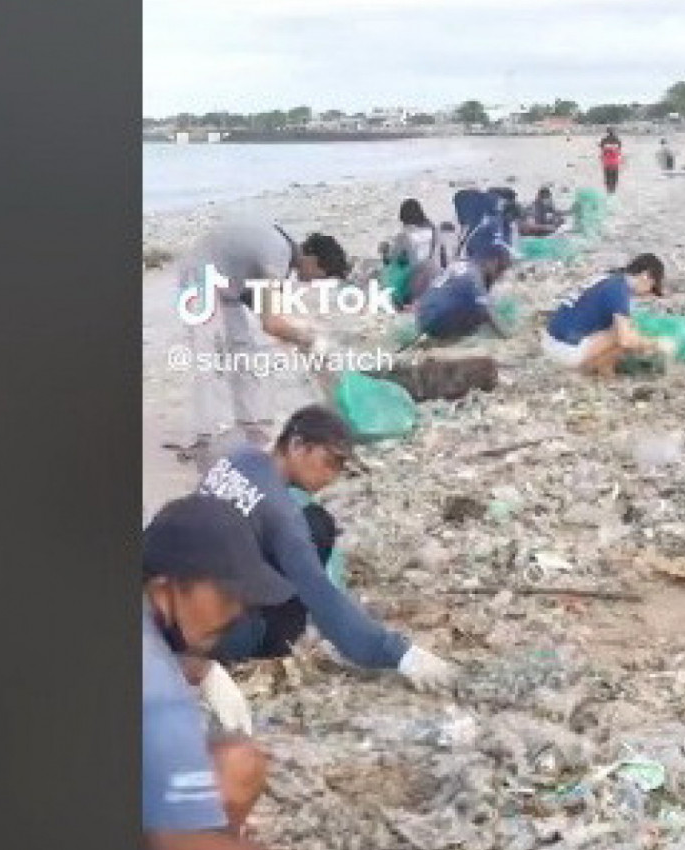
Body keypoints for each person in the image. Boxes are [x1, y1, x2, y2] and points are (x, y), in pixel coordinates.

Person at [198, 404, 456, 690]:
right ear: (297, 445)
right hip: (220, 633)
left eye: (340, 468)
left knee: (313, 522)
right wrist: (401, 654)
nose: (332, 477)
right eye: (329, 462)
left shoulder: (238, 459)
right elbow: (323, 600)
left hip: (181, 600)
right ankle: (271, 641)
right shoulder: (283, 517)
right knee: (317, 536)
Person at [143, 494, 296, 847]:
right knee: (237, 766)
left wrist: (203, 669)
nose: (237, 614)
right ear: (166, 587)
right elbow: (178, 842)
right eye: (226, 595)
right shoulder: (159, 693)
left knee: (236, 763)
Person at [177, 218, 349, 463]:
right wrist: (308, 339)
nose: (313, 282)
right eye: (319, 276)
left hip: (228, 284)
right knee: (209, 358)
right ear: (312, 259)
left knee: (246, 350)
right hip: (199, 277)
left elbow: (262, 308)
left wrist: (298, 340)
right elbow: (271, 323)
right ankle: (200, 439)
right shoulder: (277, 254)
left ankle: (252, 427)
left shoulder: (285, 250)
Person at [542, 253, 666, 376]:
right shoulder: (619, 289)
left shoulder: (607, 277)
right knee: (625, 335)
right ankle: (598, 374)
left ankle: (592, 365)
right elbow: (625, 340)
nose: (647, 294)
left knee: (619, 326)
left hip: (549, 340)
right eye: (651, 288)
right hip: (563, 350)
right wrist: (656, 344)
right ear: (645, 276)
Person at [415, 243, 515, 342]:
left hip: (422, 316)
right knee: (479, 312)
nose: (499, 276)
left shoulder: (460, 263)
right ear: (493, 262)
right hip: (438, 322)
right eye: (501, 269)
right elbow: (487, 313)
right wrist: (507, 338)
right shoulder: (475, 278)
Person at [599, 128, 623, 194]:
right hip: (615, 163)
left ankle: (608, 191)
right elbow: (619, 149)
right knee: (614, 178)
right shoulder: (617, 140)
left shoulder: (604, 140)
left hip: (606, 162)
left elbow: (601, 148)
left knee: (607, 177)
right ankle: (613, 190)